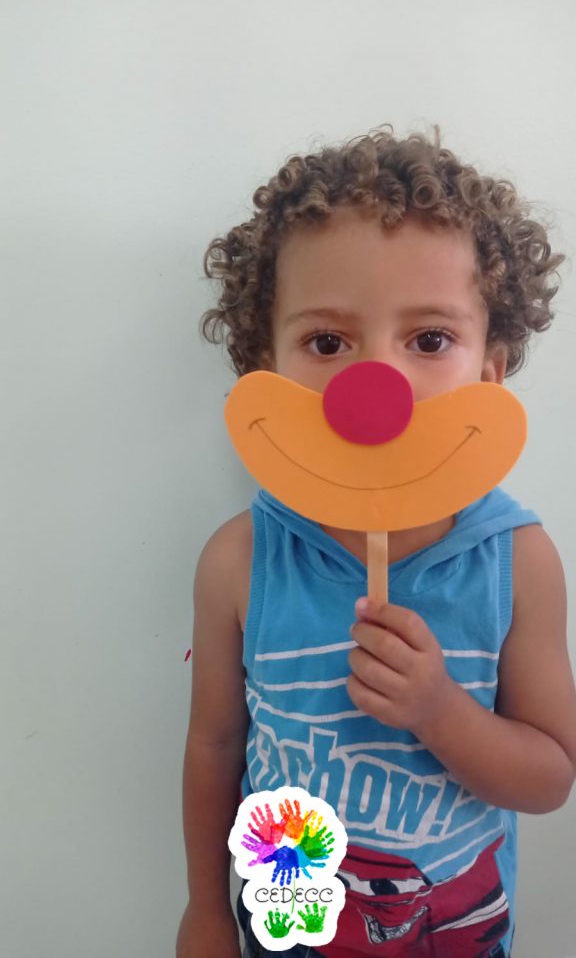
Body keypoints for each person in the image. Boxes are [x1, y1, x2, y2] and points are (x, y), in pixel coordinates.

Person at [175, 127, 576, 958]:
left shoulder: (518, 563)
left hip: (451, 932)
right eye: (328, 343)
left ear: (489, 375)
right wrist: (205, 908)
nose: (376, 387)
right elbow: (215, 744)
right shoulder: (240, 562)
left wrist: (439, 712)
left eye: (429, 340)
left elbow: (550, 778)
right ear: (266, 371)